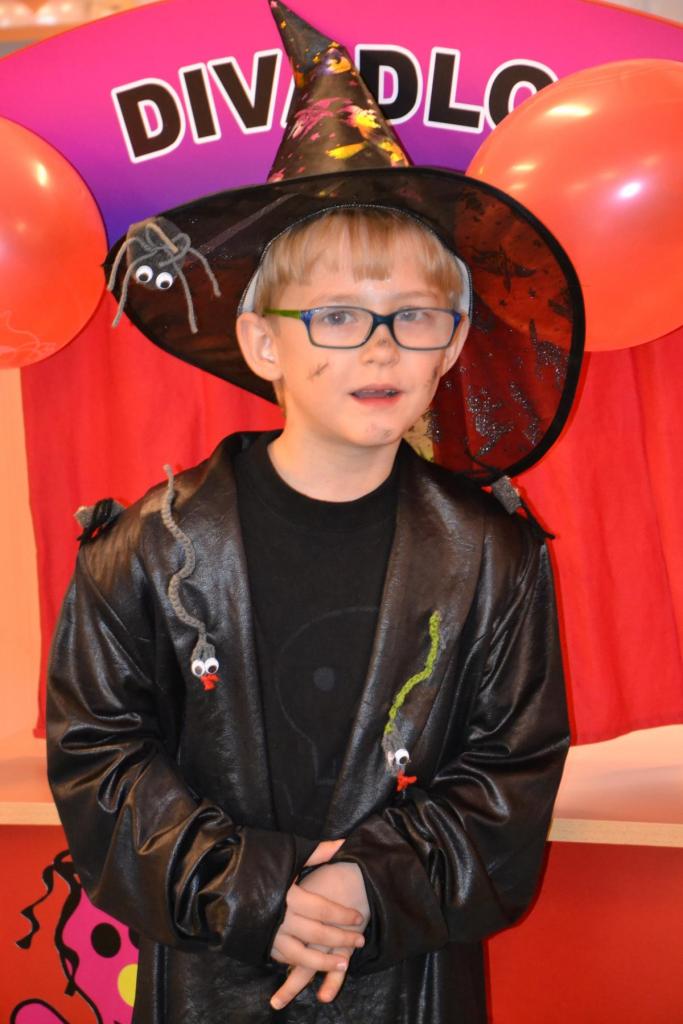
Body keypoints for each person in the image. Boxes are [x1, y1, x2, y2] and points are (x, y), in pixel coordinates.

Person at [46, 3, 584, 1022]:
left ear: (451, 343)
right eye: (336, 315)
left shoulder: (494, 557)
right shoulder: (144, 550)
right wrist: (254, 891)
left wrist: (362, 885)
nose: (379, 346)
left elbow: (508, 775)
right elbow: (101, 761)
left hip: (405, 981)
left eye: (412, 315)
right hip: (208, 976)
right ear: (263, 343)